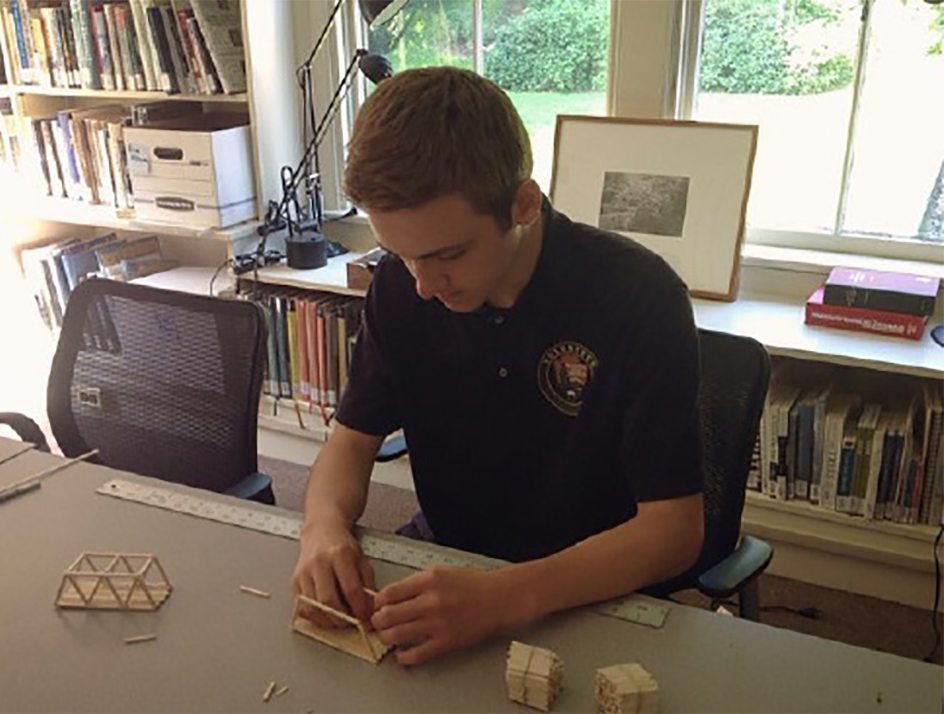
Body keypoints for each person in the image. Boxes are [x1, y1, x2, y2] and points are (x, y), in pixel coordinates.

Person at [290, 67, 704, 666]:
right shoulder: (401, 288)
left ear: (523, 204)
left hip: (594, 589)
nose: (424, 286)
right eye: (402, 255)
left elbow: (674, 530)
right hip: (452, 560)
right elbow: (350, 444)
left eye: (448, 255)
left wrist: (502, 596)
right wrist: (322, 528)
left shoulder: (639, 297)